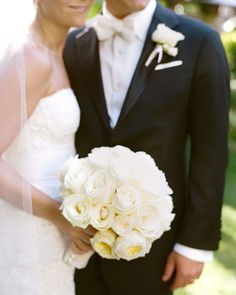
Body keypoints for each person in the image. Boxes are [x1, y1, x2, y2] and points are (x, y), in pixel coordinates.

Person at [63, 0, 230, 294]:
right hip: (75, 243)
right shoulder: (75, 42)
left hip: (154, 246)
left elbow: (211, 151)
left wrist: (195, 245)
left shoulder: (200, 42)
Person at [0, 0, 94, 294]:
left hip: (54, 235)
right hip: (28, 231)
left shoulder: (65, 51)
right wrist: (58, 214)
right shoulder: (31, 58)